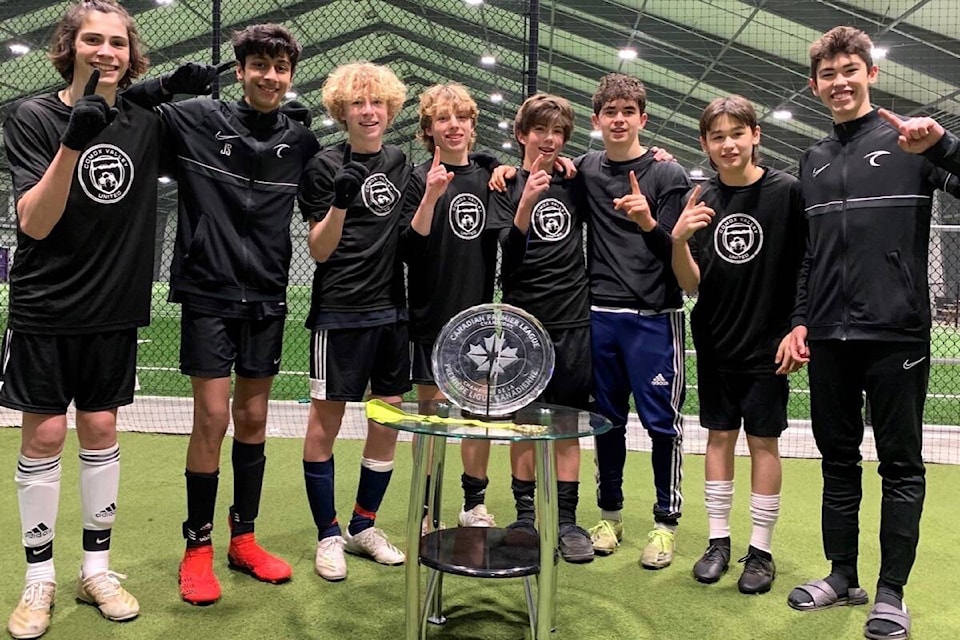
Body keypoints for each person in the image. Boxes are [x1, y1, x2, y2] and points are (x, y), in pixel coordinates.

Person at [123, 24, 320, 605]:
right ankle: (197, 547)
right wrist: (163, 84)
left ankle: (244, 538)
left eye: (280, 67)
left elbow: (332, 191)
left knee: (255, 420)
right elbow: (121, 108)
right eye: (259, 65)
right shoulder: (195, 118)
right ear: (240, 71)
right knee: (211, 417)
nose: (270, 76)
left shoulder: (301, 141)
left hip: (267, 295)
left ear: (290, 74)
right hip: (208, 292)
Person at [785, 26, 960, 639]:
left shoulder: (912, 143)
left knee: (901, 466)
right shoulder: (812, 160)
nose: (840, 82)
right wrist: (800, 320)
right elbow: (808, 256)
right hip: (830, 337)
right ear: (815, 85)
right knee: (837, 462)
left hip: (897, 336)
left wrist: (944, 148)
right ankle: (842, 576)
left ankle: (891, 592)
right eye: (828, 74)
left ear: (871, 73)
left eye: (849, 70)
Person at [1, 1, 160, 636]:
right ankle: (38, 579)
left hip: (114, 310)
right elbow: (34, 220)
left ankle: (96, 569)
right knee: (42, 438)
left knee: (99, 427)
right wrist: (73, 142)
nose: (106, 51)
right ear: (69, 46)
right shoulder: (34, 115)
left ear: (130, 53)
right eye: (92, 39)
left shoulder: (146, 118)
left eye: (117, 42)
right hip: (46, 307)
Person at [670, 95, 805, 594]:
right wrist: (678, 240)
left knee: (764, 442)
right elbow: (690, 284)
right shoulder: (701, 199)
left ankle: (761, 551)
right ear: (705, 144)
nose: (728, 144)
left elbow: (803, 266)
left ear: (755, 135)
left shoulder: (787, 192)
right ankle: (719, 542)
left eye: (736, 133)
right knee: (719, 437)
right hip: (715, 341)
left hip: (768, 345)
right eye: (717, 136)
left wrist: (798, 325)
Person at [298, 61, 410, 582]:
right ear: (342, 111)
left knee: (386, 418)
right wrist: (340, 202)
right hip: (340, 312)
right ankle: (327, 534)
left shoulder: (400, 160)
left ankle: (365, 526)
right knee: (327, 421)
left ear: (390, 109)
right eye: (358, 104)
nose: (369, 111)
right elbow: (319, 251)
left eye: (377, 102)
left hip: (392, 312)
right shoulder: (323, 165)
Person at [581, 73, 691, 569]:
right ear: (597, 120)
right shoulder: (584, 169)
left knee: (662, 423)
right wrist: (496, 169)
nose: (619, 120)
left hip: (654, 318)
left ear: (642, 119)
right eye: (610, 112)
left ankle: (665, 524)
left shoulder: (669, 176)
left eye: (628, 112)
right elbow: (541, 167)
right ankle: (610, 516)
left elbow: (679, 253)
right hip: (600, 315)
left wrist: (648, 220)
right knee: (606, 422)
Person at [489, 93, 595, 563]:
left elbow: (621, 162)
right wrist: (525, 204)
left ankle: (568, 522)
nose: (549, 139)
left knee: (568, 424)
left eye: (557, 132)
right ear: (521, 134)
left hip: (573, 319)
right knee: (524, 425)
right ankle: (526, 517)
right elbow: (508, 259)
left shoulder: (577, 180)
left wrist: (662, 155)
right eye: (540, 130)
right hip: (522, 322)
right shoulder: (504, 184)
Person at [400, 83, 508, 529]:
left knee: (476, 415)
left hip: (477, 320)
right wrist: (429, 194)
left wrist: (502, 166)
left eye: (461, 117)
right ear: (429, 128)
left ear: (472, 125)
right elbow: (408, 246)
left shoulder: (489, 177)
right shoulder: (415, 177)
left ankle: (473, 504)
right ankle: (426, 509)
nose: (454, 125)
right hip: (429, 318)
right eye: (443, 118)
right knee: (432, 419)